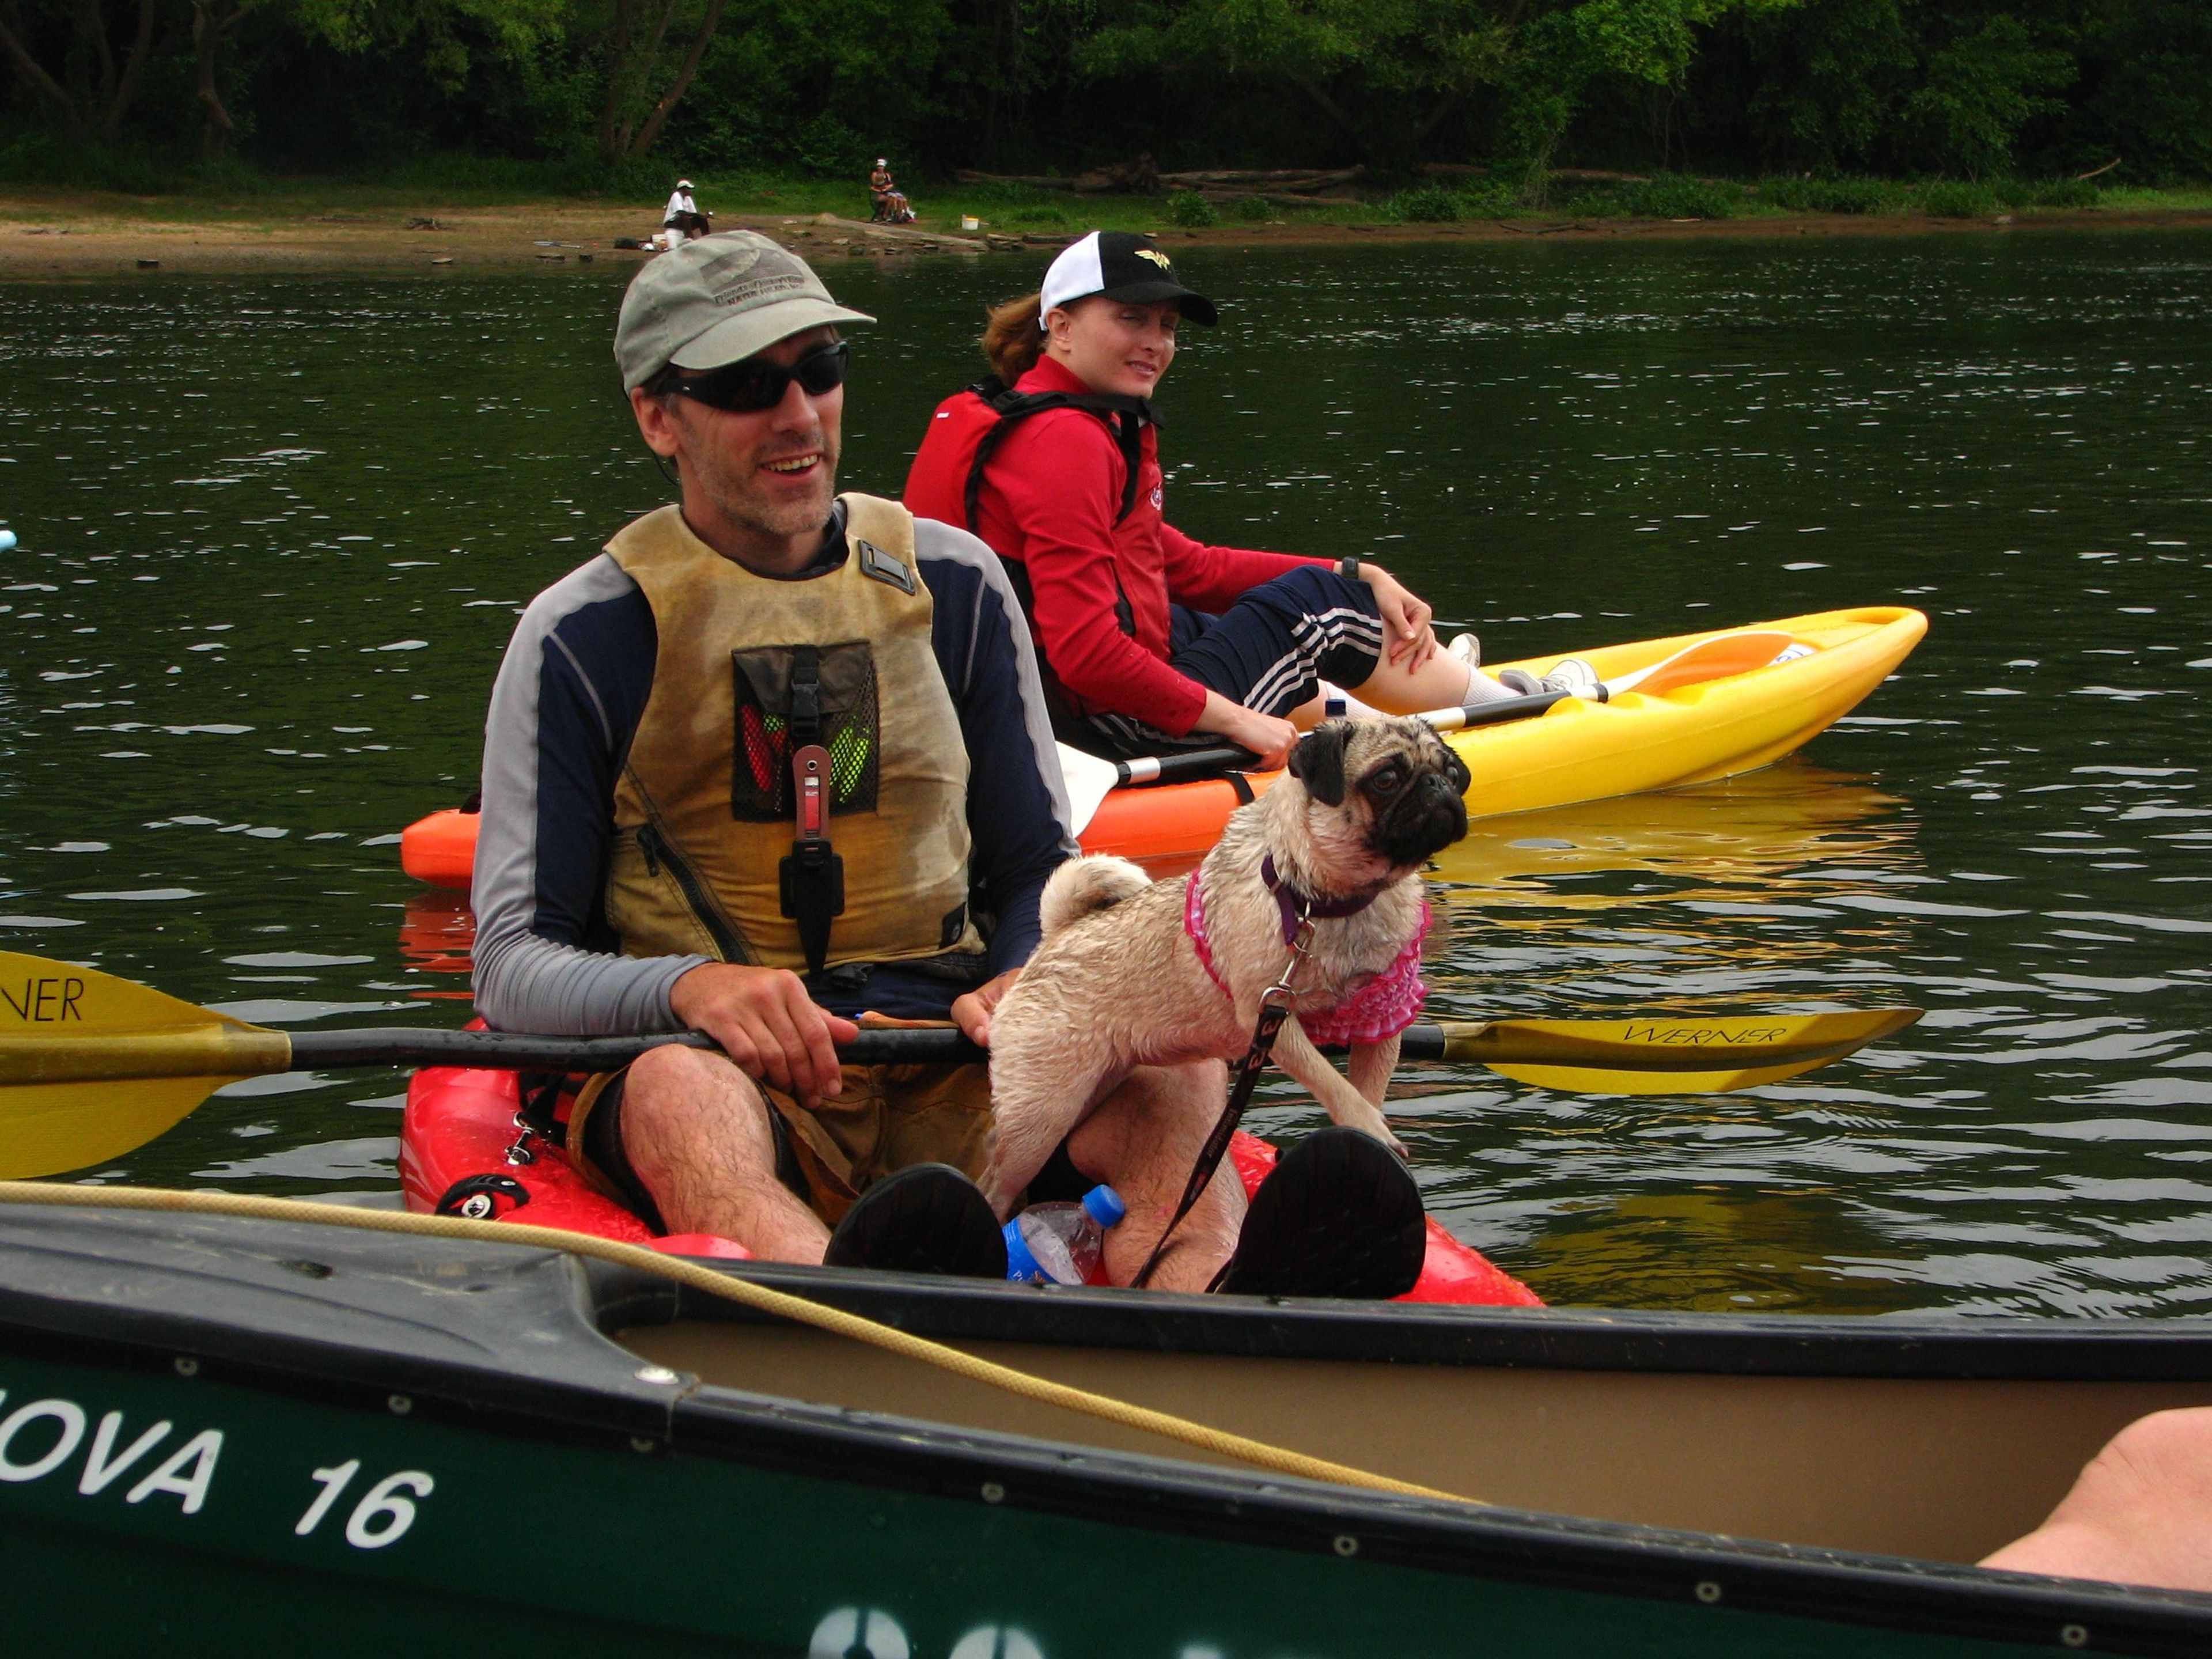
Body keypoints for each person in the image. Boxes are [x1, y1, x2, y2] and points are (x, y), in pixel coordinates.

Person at [468, 231, 1347, 1291]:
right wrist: (694, 988)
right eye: (748, 387)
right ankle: (865, 1316)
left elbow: (1036, 872)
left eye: (819, 371)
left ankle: (1203, 1293)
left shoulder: (956, 584)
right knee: (676, 1097)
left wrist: (1031, 967)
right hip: (729, 1075)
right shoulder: (582, 633)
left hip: (951, 1047)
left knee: (1175, 1064)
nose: (797, 417)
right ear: (660, 416)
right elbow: (513, 967)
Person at [903, 230, 1597, 766]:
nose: (1156, 344)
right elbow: (1085, 652)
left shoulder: (997, 414)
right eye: (1132, 319)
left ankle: (1383, 703)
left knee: (1244, 607)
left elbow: (1181, 565)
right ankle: (1518, 710)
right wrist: (1238, 721)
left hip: (1024, 715)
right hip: (1111, 733)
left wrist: (1353, 568)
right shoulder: (1068, 440)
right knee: (1325, 612)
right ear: (1060, 324)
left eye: (1167, 326)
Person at [869, 158, 914, 225]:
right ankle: (886, 216)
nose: (880, 168)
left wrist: (887, 188)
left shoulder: (887, 175)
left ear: (884, 167)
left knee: (901, 199)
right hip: (879, 194)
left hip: (887, 192)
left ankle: (899, 216)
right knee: (892, 198)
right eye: (879, 167)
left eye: (882, 167)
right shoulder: (875, 174)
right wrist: (883, 187)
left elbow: (891, 185)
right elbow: (875, 185)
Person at [662, 178, 703, 246]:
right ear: (683, 189)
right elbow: (680, 213)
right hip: (671, 222)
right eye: (688, 189)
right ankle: (689, 238)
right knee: (685, 217)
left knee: (702, 220)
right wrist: (696, 215)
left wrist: (702, 217)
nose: (690, 191)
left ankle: (706, 237)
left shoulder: (688, 198)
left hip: (683, 222)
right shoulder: (676, 196)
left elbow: (694, 213)